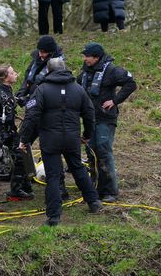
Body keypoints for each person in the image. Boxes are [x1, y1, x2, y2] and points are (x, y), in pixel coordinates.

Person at [19, 58, 103, 226]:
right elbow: (89, 113)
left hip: (50, 139)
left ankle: (54, 216)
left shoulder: (42, 89)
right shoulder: (78, 89)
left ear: (48, 71)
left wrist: (24, 139)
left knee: (53, 176)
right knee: (78, 168)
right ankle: (94, 202)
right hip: (72, 138)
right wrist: (87, 134)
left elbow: (31, 116)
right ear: (64, 68)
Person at [77, 42, 137, 202]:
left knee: (103, 151)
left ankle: (110, 191)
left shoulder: (111, 70)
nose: (84, 59)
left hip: (105, 118)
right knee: (91, 152)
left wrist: (115, 100)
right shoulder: (84, 72)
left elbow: (131, 84)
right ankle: (95, 188)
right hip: (90, 119)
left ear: (96, 57)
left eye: (87, 56)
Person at [15, 35, 70, 200]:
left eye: (44, 52)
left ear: (51, 52)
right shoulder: (36, 61)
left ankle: (61, 187)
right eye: (39, 51)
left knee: (52, 151)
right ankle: (23, 183)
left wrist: (32, 98)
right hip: (33, 111)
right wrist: (21, 94)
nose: (41, 55)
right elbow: (27, 80)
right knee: (21, 145)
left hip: (49, 114)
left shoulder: (58, 65)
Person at [0, 64, 34, 212]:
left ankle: (16, 191)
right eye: (12, 72)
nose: (16, 74)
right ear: (5, 77)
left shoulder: (8, 90)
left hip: (10, 132)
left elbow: (11, 104)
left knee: (21, 155)